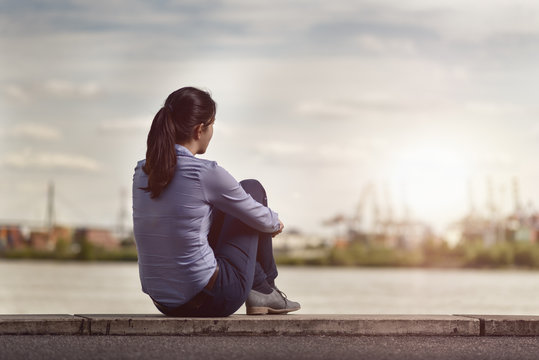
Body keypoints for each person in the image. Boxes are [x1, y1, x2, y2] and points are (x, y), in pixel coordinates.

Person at [132, 86, 300, 317]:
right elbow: (262, 219)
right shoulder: (206, 173)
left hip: (164, 302)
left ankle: (262, 288)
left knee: (219, 208)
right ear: (200, 129)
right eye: (212, 125)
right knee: (251, 187)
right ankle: (265, 288)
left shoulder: (142, 170)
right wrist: (275, 223)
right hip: (212, 299)